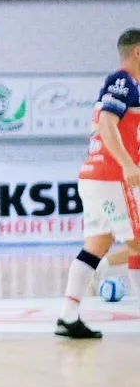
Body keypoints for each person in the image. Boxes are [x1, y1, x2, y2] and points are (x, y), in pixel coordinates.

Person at [56, 28, 140, 338]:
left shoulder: (126, 87)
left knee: (97, 246)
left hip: (94, 177)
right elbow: (107, 123)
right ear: (137, 53)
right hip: (111, 178)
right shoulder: (124, 81)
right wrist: (128, 164)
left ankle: (67, 316)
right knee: (137, 242)